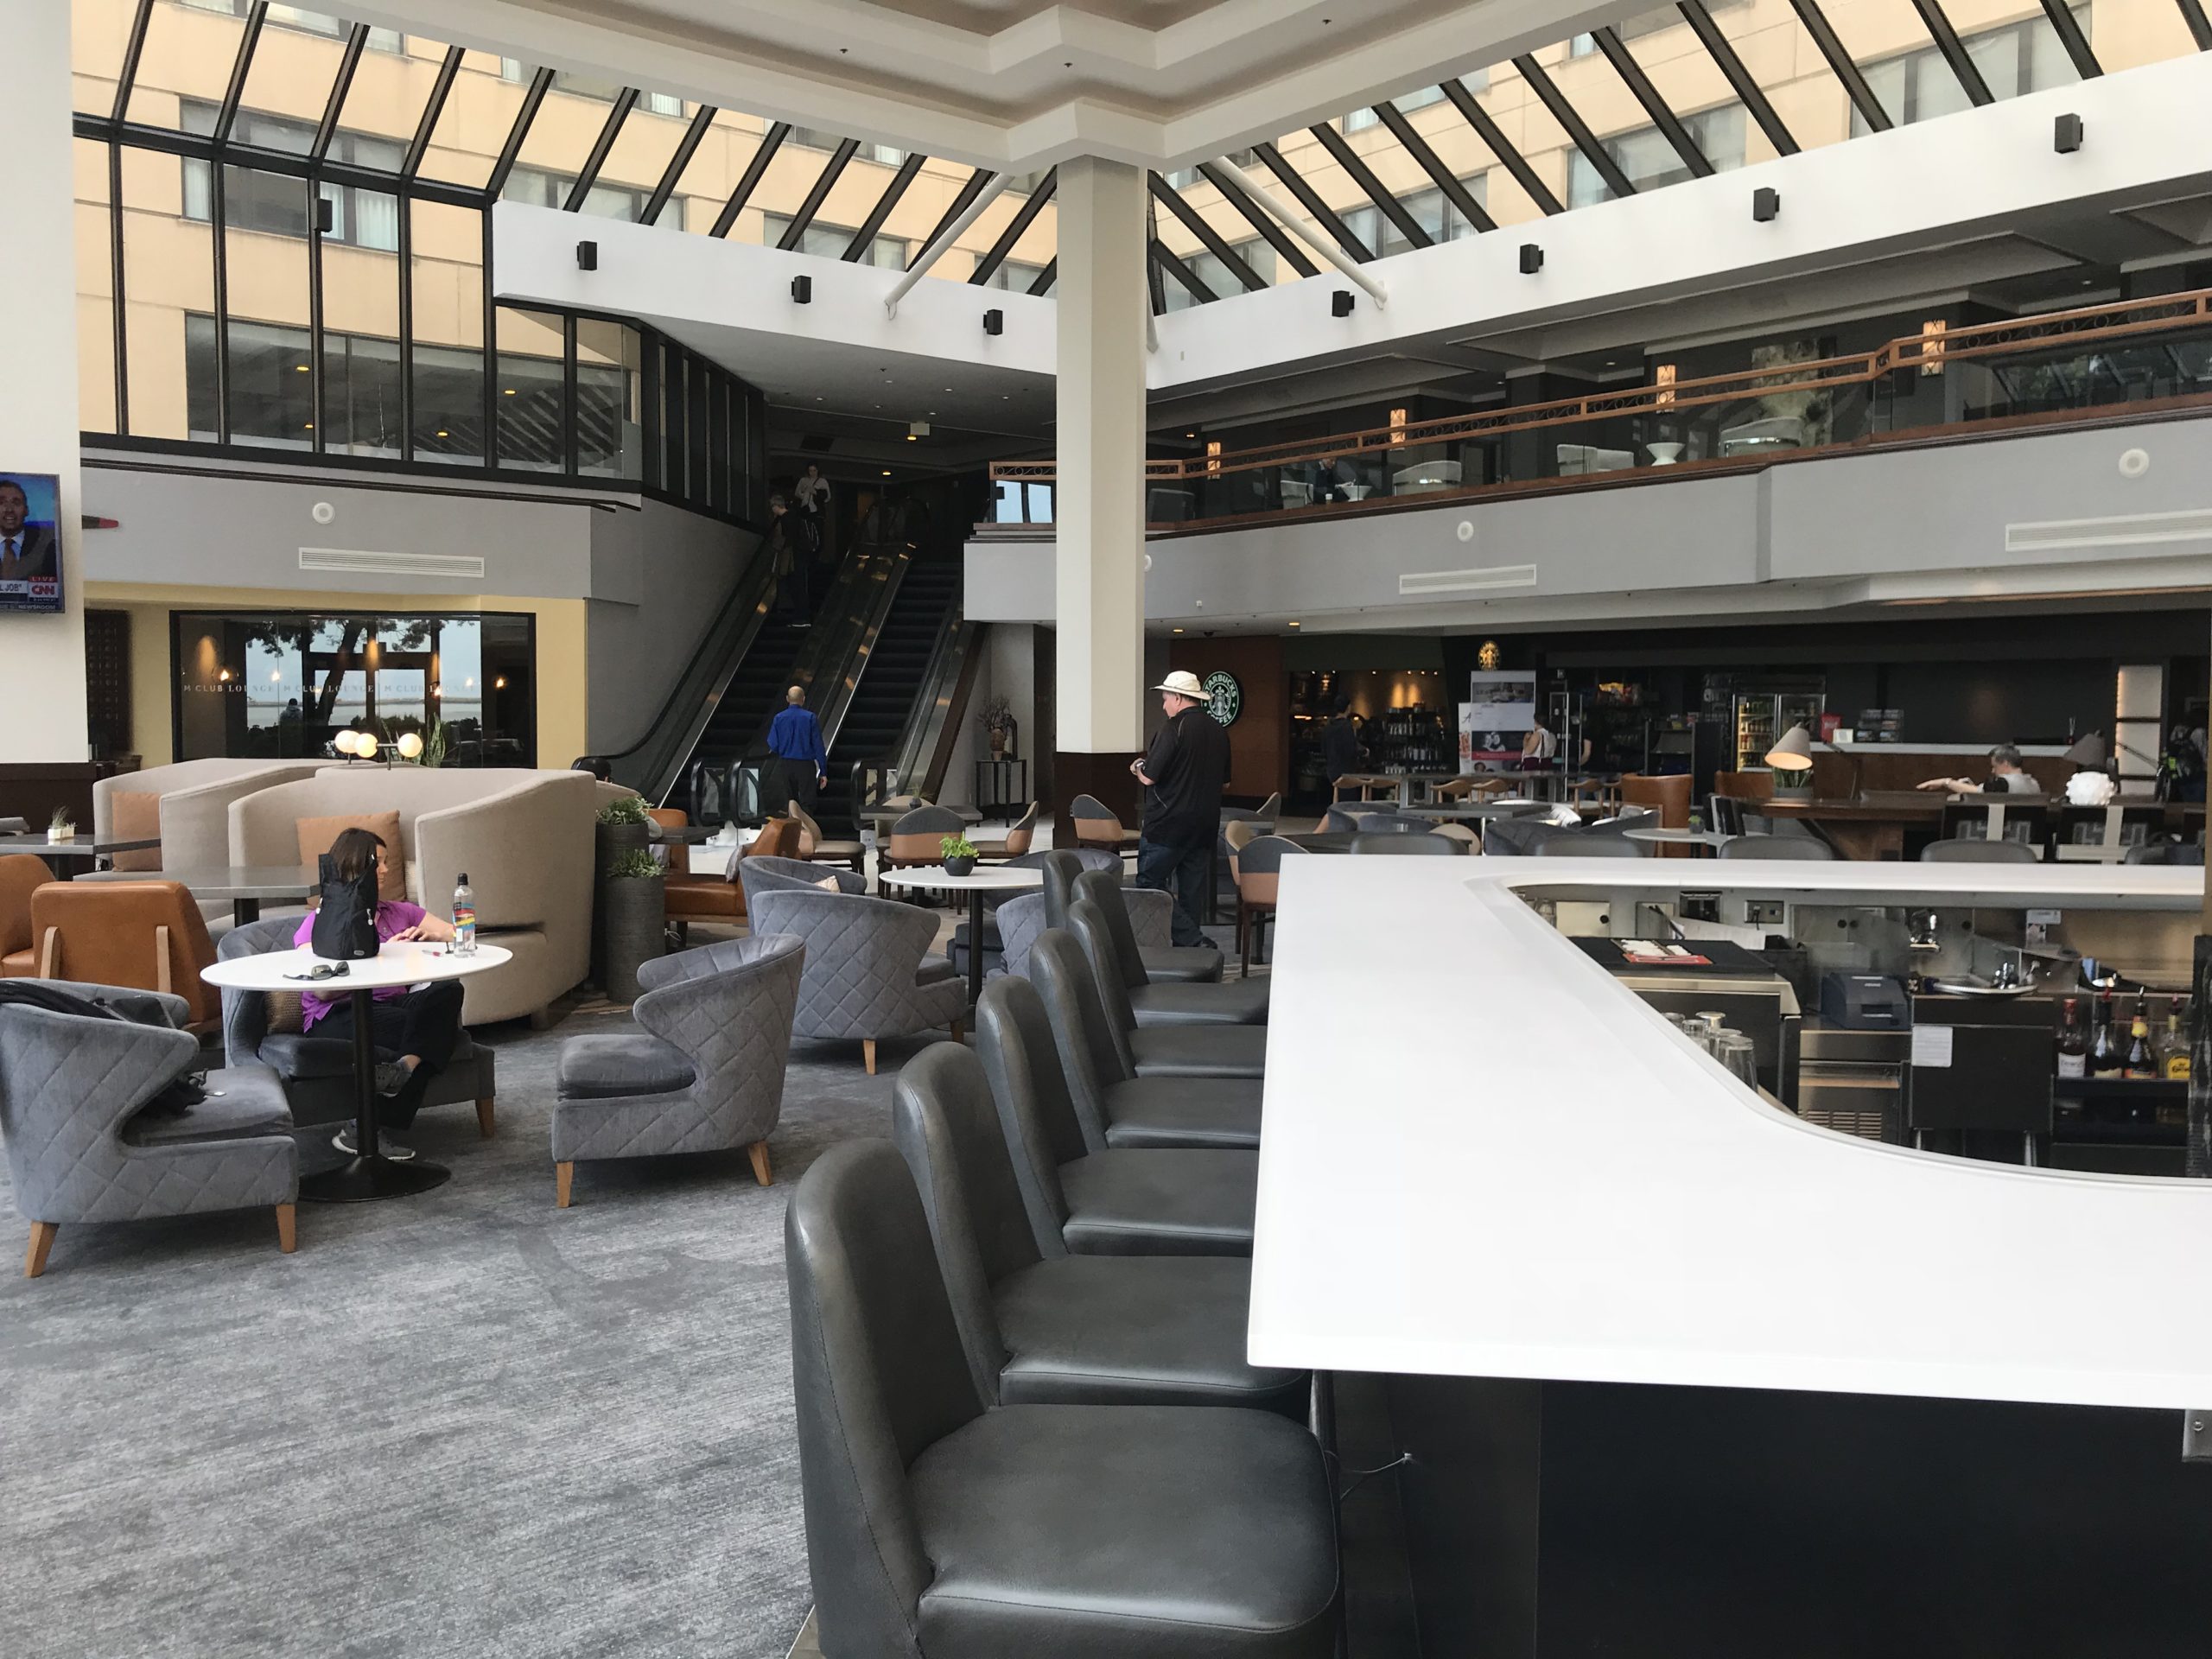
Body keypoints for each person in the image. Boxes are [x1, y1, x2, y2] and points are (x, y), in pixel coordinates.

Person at [292, 827, 463, 1162]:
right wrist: (384, 955)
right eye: (378, 863)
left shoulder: (400, 911)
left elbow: (458, 934)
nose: (385, 871)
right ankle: (372, 1121)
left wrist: (429, 937)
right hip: (339, 1013)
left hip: (392, 1003)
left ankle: (397, 1077)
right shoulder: (320, 924)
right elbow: (323, 991)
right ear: (356, 866)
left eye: (386, 862)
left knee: (447, 993)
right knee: (435, 1033)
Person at [1130, 670, 1229, 950]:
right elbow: (1226, 779)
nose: (1164, 705)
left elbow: (1150, 776)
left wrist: (1138, 767)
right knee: (1191, 894)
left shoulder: (1173, 729)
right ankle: (1192, 956)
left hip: (1167, 825)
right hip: (1205, 825)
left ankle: (1194, 941)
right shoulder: (1218, 732)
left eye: (1165, 699)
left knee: (1149, 883)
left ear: (1177, 697)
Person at [766, 683, 828, 817]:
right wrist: (823, 771)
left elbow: (772, 743)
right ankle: (806, 832)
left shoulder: (779, 718)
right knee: (807, 802)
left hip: (786, 763)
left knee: (790, 801)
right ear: (803, 699)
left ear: (787, 699)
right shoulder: (810, 717)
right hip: (805, 765)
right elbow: (818, 745)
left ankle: (792, 833)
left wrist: (783, 750)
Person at [0, 478, 58, 584]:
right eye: (1, 503)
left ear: (26, 510)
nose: (9, 509)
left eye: (16, 503)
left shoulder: (48, 546)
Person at [1917, 744, 2039, 794]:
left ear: (2005, 763)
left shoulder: (2002, 783)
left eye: (1994, 767)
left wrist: (1946, 782)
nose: (1993, 771)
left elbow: (1978, 792)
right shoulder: (2034, 784)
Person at [1322, 695, 1363, 787]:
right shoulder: (1346, 727)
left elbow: (1323, 749)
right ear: (1348, 707)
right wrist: (1364, 752)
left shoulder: (1328, 727)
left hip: (1331, 771)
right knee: (1348, 799)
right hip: (1345, 771)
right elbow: (1351, 749)